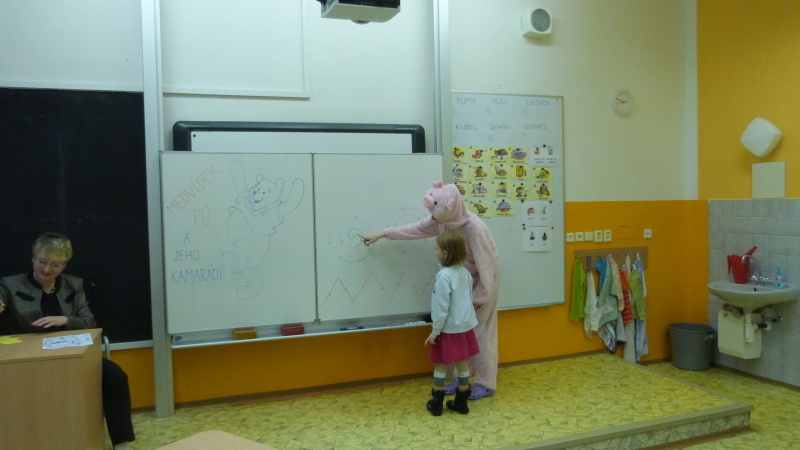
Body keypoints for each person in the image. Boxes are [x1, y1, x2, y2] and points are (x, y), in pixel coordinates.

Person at [359, 181, 501, 400]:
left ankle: (486, 383)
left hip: (484, 279)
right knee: (462, 332)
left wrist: (481, 296)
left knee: (481, 332)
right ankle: (463, 378)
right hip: (462, 278)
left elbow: (487, 265)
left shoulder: (474, 227)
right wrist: (383, 233)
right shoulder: (442, 220)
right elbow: (416, 229)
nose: (433, 218)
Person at [0, 232, 135, 450]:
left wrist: (66, 320)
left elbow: (89, 321)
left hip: (73, 356)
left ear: (64, 265)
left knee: (114, 375)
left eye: (56, 264)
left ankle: (121, 443)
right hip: (29, 361)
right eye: (42, 261)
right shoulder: (10, 284)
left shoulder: (74, 285)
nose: (47, 269)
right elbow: (2, 297)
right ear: (33, 259)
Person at [424, 231, 480, 416]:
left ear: (445, 253)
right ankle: (461, 403)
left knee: (440, 364)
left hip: (447, 329)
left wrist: (435, 330)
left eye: (436, 248)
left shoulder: (443, 276)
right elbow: (467, 300)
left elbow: (440, 307)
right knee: (462, 364)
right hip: (464, 327)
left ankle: (437, 403)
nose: (435, 251)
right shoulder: (465, 273)